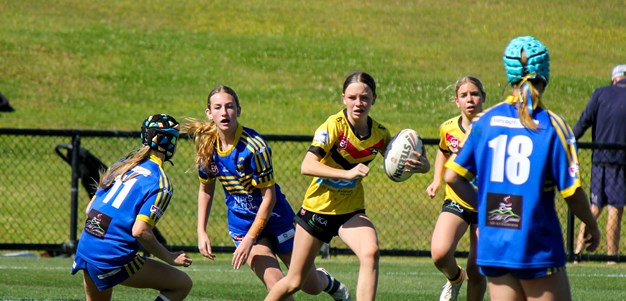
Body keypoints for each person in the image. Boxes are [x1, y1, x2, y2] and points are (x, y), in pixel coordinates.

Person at [444, 36, 601, 300]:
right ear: (546, 73)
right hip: (536, 244)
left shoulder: (486, 121)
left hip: (494, 243)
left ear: (509, 74)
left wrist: (484, 208)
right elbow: (572, 192)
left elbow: (452, 176)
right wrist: (591, 225)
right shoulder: (553, 126)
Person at [265, 71, 430, 301]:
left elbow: (397, 166)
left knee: (370, 252)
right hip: (317, 210)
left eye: (364, 97)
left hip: (350, 212)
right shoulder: (333, 126)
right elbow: (307, 165)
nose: (358, 103)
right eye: (352, 97)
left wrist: (422, 166)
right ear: (344, 98)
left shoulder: (380, 134)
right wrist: (348, 172)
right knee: (295, 282)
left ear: (373, 99)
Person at [186, 85, 351, 301]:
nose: (224, 113)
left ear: (239, 110)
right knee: (276, 286)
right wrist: (201, 230)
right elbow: (206, 189)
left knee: (309, 285)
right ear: (209, 112)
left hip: (276, 218)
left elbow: (269, 198)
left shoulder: (255, 147)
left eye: (229, 107)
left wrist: (249, 240)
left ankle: (326, 280)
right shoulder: (207, 146)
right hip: (243, 224)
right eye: (217, 107)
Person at [71, 114, 193, 301]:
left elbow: (90, 210)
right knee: (182, 284)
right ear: (167, 142)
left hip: (86, 247)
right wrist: (169, 257)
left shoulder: (122, 165)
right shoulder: (160, 183)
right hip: (110, 257)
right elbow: (140, 231)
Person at [426, 75, 487, 301]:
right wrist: (436, 180)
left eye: (475, 94)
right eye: (464, 95)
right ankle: (455, 278)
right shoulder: (448, 128)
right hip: (458, 199)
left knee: (477, 267)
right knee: (440, 254)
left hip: (485, 203)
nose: (470, 99)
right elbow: (443, 151)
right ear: (457, 101)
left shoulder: (495, 128)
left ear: (483, 97)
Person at [573, 64, 626, 264]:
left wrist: (570, 141)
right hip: (620, 161)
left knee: (594, 207)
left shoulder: (600, 93)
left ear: (613, 78)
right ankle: (612, 257)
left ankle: (577, 251)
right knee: (615, 207)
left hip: (598, 159)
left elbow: (583, 122)